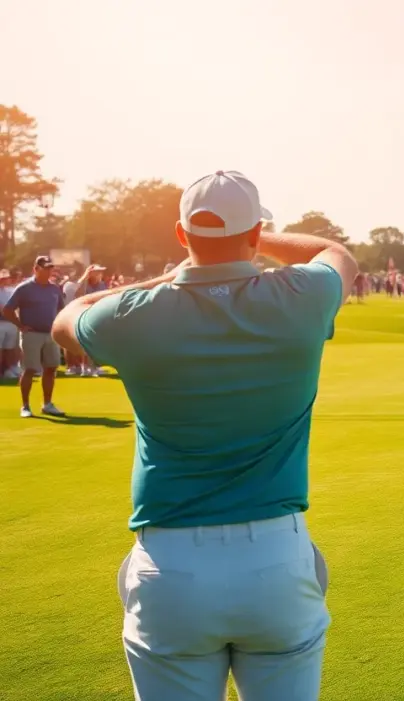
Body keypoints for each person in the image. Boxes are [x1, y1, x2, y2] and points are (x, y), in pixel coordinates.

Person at [50, 170, 359, 701]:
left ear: (180, 234)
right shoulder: (300, 295)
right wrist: (258, 243)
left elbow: (66, 319)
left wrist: (159, 280)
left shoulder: (134, 316)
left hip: (171, 567)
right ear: (257, 234)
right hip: (276, 559)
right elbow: (336, 253)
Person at [2, 256, 66, 418]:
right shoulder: (24, 288)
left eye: (50, 268)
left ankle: (47, 404)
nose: (48, 271)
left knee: (51, 368)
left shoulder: (55, 289)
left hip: (50, 334)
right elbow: (8, 310)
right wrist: (21, 326)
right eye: (44, 268)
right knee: (29, 369)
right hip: (32, 334)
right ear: (35, 269)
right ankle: (25, 406)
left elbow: (61, 310)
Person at [0, 269, 22, 378]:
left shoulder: (10, 291)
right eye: (2, 279)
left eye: (6, 278)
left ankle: (8, 370)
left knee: (9, 348)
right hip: (1, 323)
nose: (4, 281)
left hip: (11, 323)